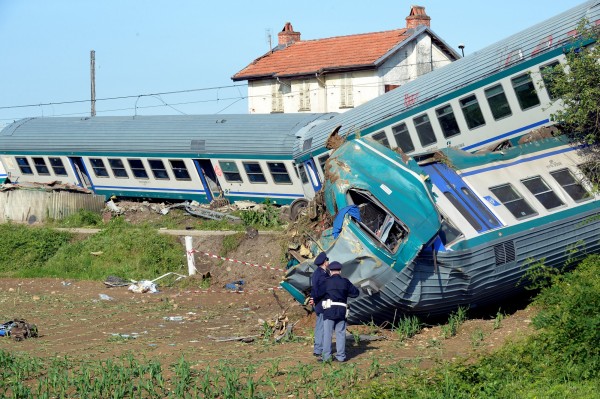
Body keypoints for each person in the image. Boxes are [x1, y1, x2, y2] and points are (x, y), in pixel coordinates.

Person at [320, 261, 359, 362]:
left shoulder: (326, 281)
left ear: (330, 271)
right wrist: (345, 293)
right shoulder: (345, 282)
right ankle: (341, 356)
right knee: (341, 333)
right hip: (342, 310)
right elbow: (355, 293)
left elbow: (318, 293)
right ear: (340, 271)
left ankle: (326, 357)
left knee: (327, 334)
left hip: (329, 310)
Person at [308, 251, 329, 358]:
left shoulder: (317, 273)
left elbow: (314, 288)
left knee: (320, 326)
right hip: (322, 303)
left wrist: (313, 298)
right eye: (327, 260)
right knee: (322, 326)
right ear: (325, 262)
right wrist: (315, 298)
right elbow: (320, 290)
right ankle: (319, 349)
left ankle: (319, 348)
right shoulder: (322, 274)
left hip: (318, 302)